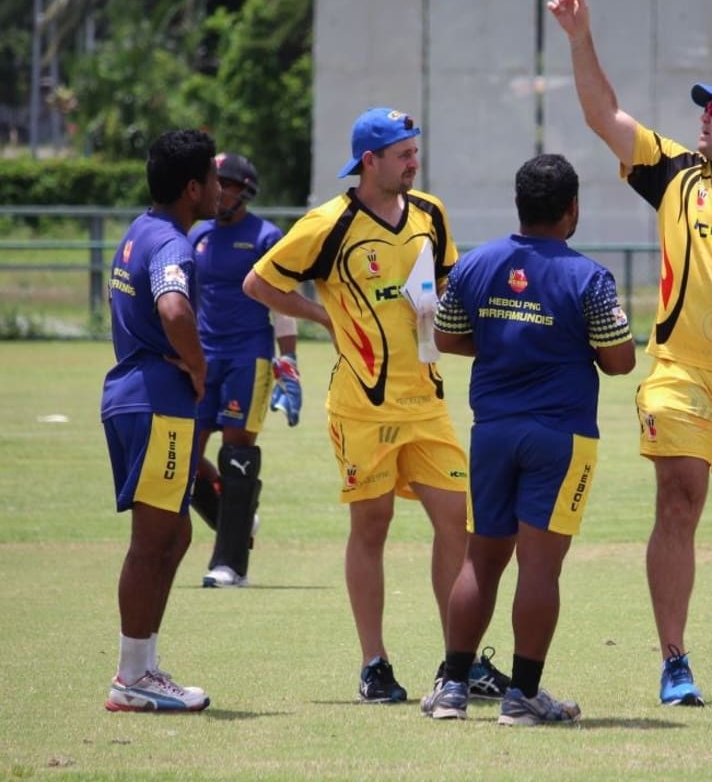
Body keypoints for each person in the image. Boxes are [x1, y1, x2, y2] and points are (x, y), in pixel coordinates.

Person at [548, 0, 712, 706]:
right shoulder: (675, 172)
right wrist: (581, 36)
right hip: (680, 372)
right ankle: (673, 661)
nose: (703, 115)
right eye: (704, 106)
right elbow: (605, 116)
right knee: (679, 499)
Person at [242, 106, 509, 703]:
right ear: (370, 161)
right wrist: (322, 316)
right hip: (361, 405)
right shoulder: (328, 223)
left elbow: (448, 283)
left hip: (427, 400)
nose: (415, 162)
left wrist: (443, 309)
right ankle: (374, 664)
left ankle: (458, 663)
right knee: (373, 525)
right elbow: (259, 283)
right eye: (404, 155)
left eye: (416, 151)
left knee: (457, 525)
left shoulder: (430, 213)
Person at [420, 153, 636, 725]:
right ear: (572, 209)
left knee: (481, 559)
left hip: (491, 431)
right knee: (539, 567)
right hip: (560, 437)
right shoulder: (588, 277)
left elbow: (445, 336)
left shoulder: (475, 264)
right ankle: (522, 698)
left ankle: (452, 690)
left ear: (519, 205)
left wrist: (500, 345)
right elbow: (618, 361)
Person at [100, 128, 220, 712]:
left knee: (175, 533)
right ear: (193, 188)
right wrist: (197, 367)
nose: (222, 188)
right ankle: (131, 679)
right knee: (153, 542)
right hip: (157, 401)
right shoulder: (174, 242)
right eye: (215, 179)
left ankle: (143, 668)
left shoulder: (138, 233)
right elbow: (173, 307)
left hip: (131, 393)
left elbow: (123, 303)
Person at [187, 151, 302, 589]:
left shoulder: (266, 236)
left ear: (243, 190)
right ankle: (235, 518)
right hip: (203, 355)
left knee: (235, 452)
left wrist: (287, 359)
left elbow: (283, 299)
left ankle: (230, 565)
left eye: (225, 185)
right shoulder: (198, 236)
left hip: (248, 357)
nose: (217, 193)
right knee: (186, 457)